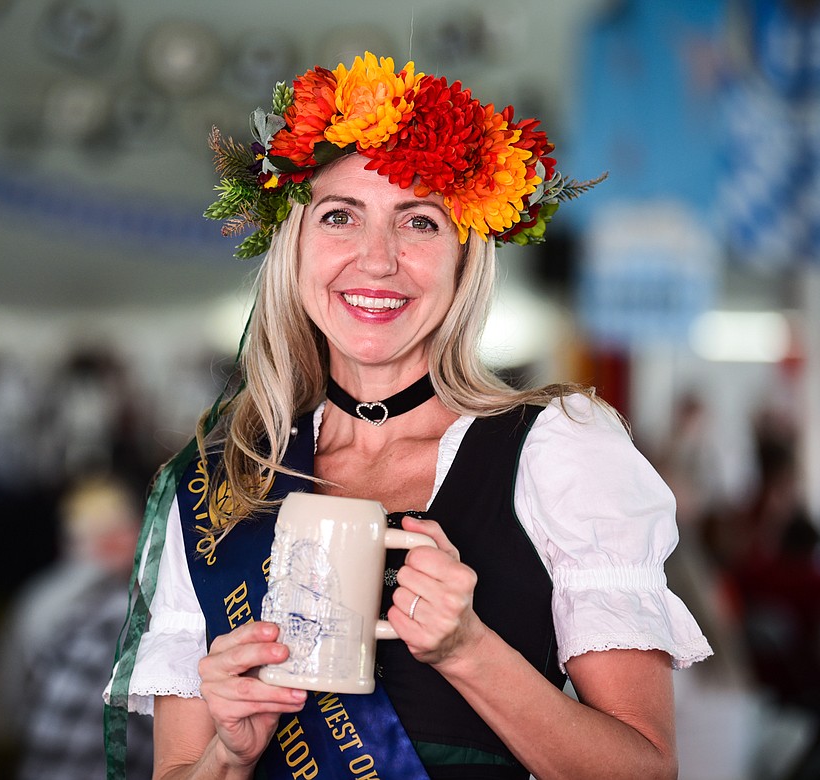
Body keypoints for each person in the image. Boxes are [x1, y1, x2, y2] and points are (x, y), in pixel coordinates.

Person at [104, 52, 713, 780]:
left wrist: (469, 652)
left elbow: (646, 771)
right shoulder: (219, 478)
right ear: (293, 250)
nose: (378, 259)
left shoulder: (558, 449)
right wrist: (231, 754)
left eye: (419, 222)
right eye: (339, 216)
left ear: (464, 256)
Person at [1, 475, 153, 779]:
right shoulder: (110, 607)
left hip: (39, 749)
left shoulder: (41, 592)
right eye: (135, 528)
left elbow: (13, 691)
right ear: (114, 539)